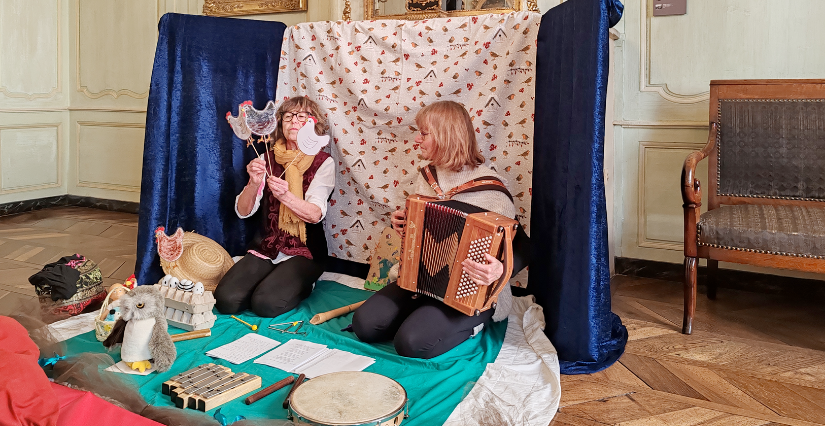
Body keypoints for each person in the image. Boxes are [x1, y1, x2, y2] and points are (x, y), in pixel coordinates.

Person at [352, 100, 517, 359]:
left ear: (445, 135)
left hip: (470, 292)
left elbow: (521, 247)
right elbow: (424, 233)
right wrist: (404, 226)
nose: (417, 139)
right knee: (365, 325)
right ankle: (423, 315)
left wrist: (501, 269)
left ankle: (473, 324)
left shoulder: (492, 191)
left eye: (424, 133)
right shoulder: (428, 177)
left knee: (411, 344)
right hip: (420, 281)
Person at [215, 96, 334, 317]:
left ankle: (305, 284)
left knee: (266, 304)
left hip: (305, 252)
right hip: (268, 247)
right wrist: (253, 182)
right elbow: (243, 212)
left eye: (302, 116)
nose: (294, 121)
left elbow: (315, 214)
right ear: (280, 123)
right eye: (288, 116)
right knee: (226, 300)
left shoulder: (323, 162)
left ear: (313, 123)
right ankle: (273, 276)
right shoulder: (266, 158)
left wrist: (286, 196)